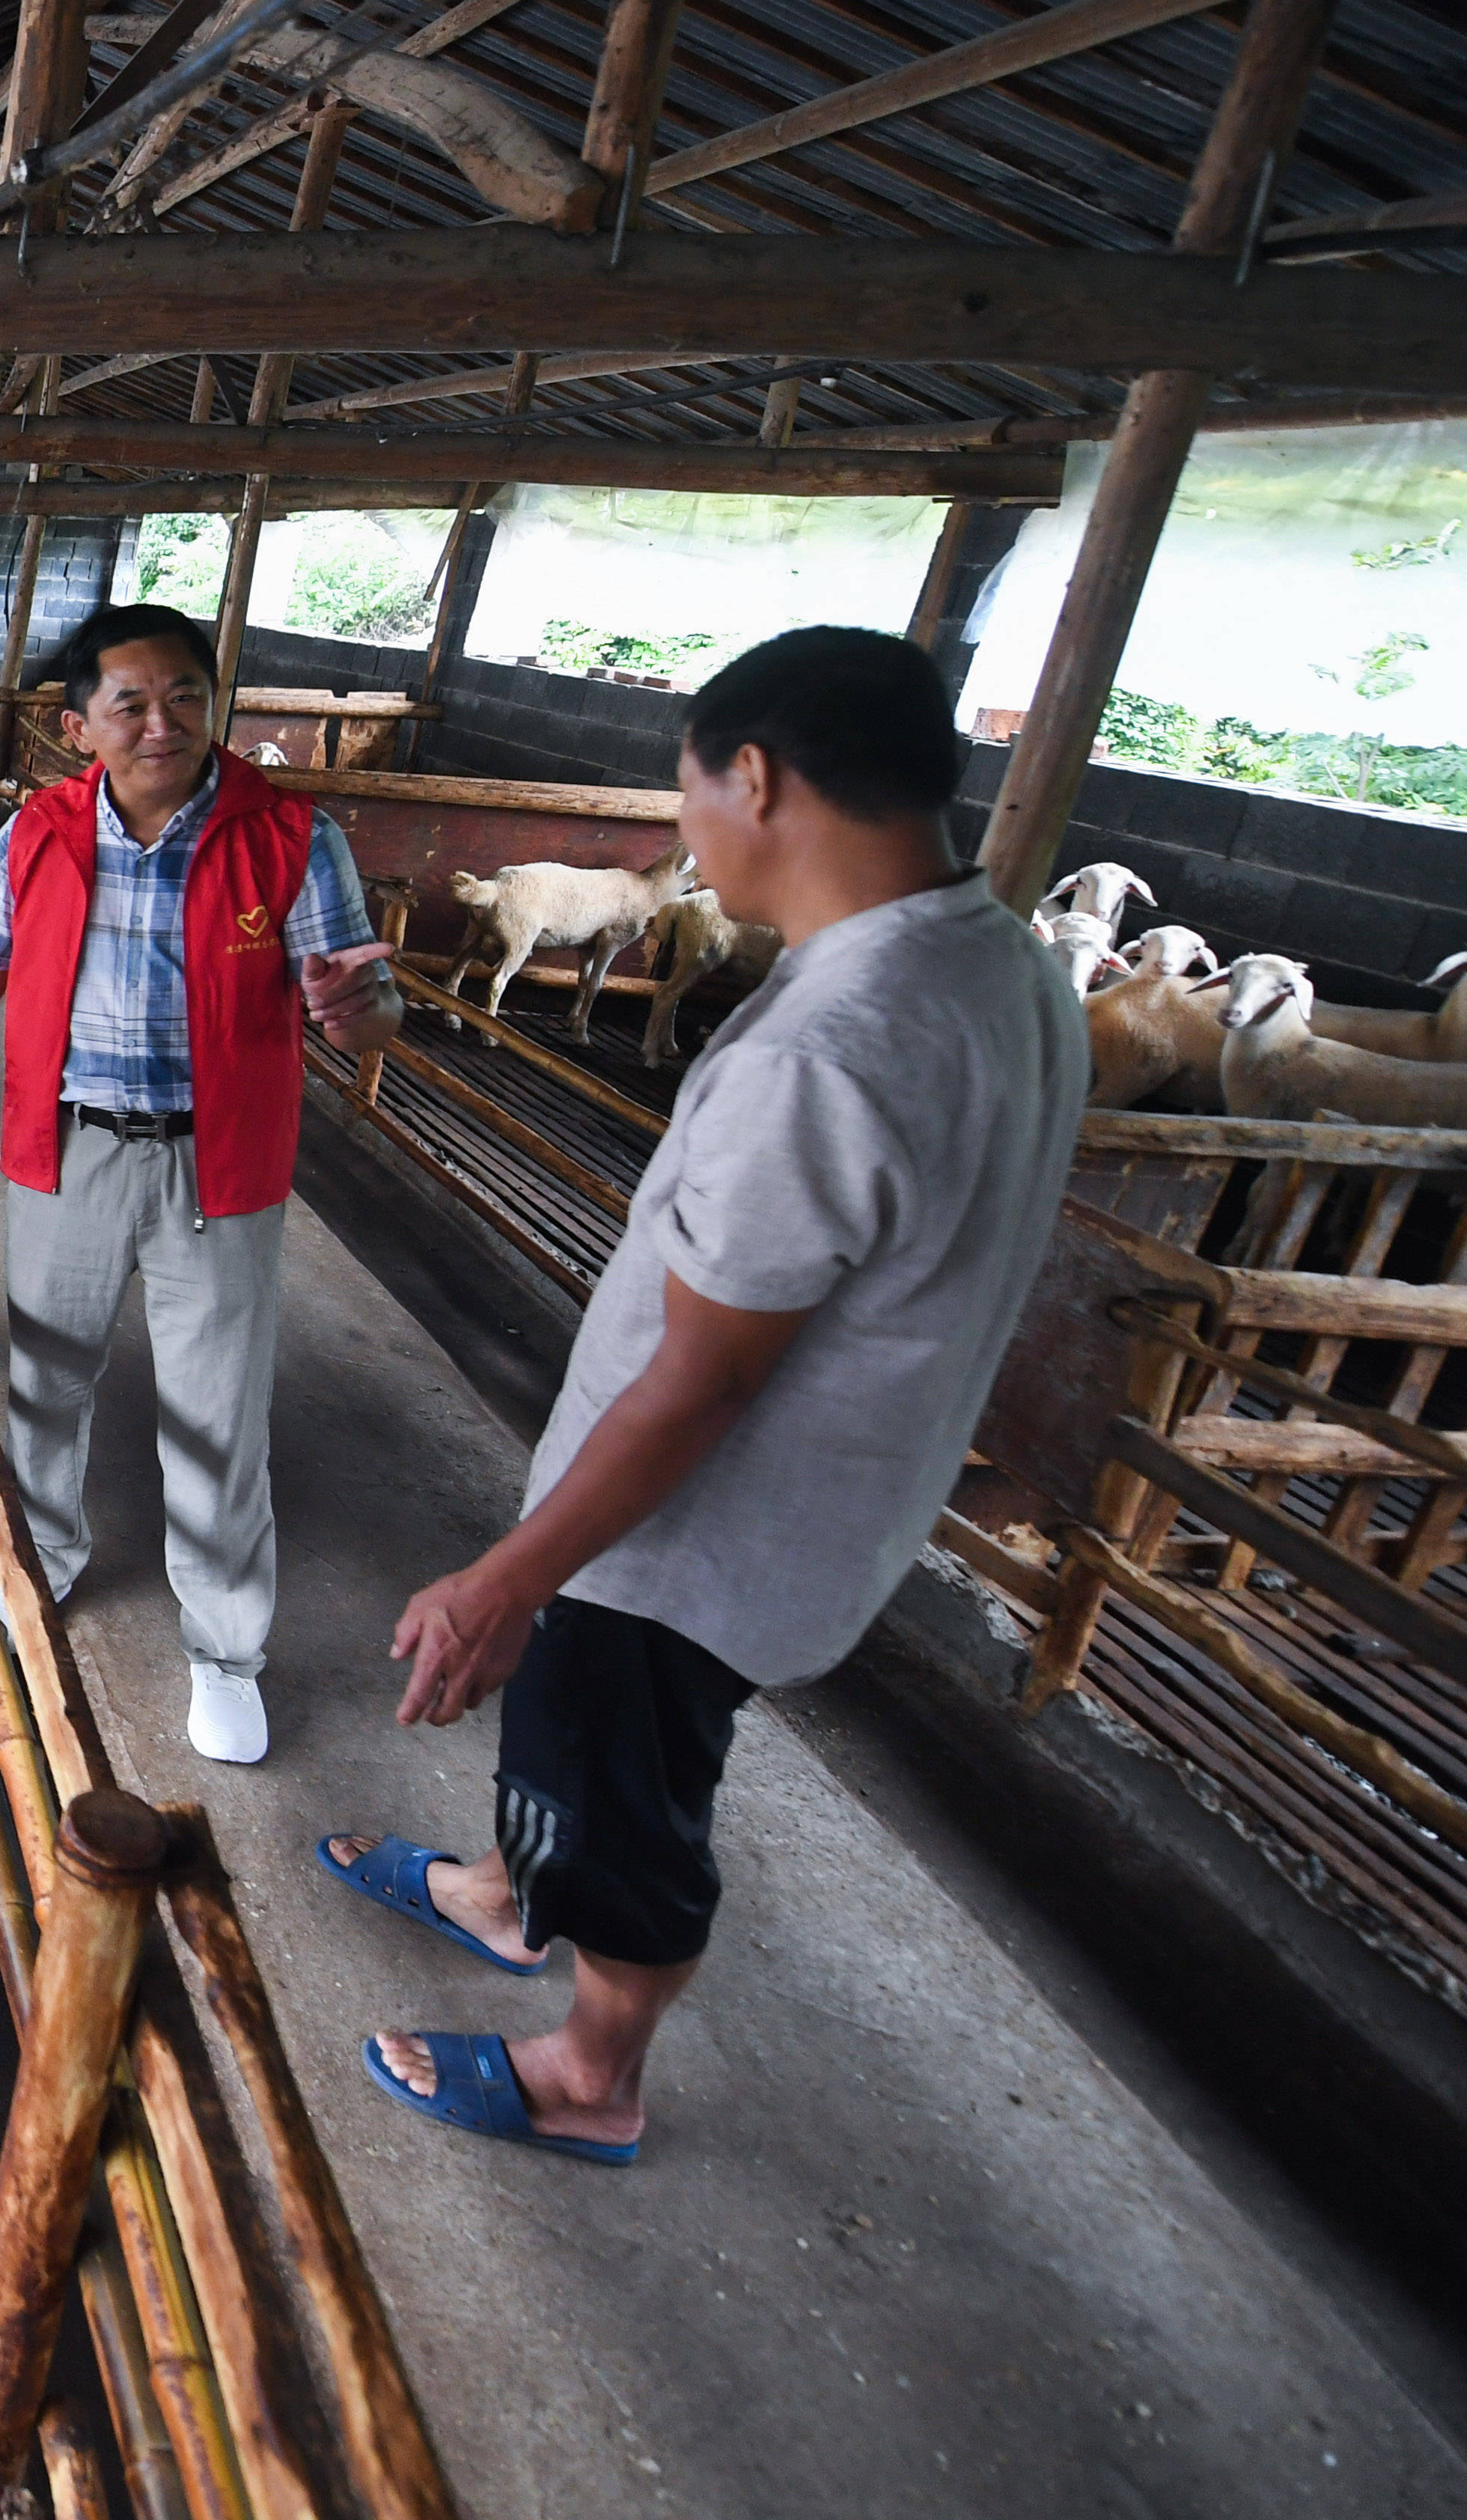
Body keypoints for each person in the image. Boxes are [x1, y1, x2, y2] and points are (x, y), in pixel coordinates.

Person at [322, 626, 1082, 2164]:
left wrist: (505, 1576)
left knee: (620, 1789)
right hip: (814, 1499)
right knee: (578, 1754)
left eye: (688, 795)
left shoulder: (833, 1045)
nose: (683, 836)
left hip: (685, 1539)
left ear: (755, 774)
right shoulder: (1002, 961)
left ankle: (592, 2071)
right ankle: (500, 1890)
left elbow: (703, 1378)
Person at [0, 603, 402, 1763]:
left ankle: (226, 1650)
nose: (166, 722)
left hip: (220, 1161)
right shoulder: (41, 834)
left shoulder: (290, 835)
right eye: (133, 702)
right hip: (69, 1145)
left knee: (218, 1408)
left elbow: (362, 1009)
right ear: (78, 722)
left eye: (188, 695)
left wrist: (359, 1014)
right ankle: (43, 1554)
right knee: (48, 1375)